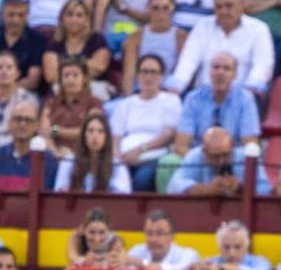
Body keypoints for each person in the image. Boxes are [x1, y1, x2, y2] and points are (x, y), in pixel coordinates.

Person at [168, 0, 275, 96]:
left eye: (229, 6)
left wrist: (247, 92)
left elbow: (263, 65)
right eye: (219, 6)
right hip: (204, 96)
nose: (224, 11)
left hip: (243, 96)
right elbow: (188, 61)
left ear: (242, 4)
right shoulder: (202, 26)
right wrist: (176, 87)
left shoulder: (259, 29)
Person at [109, 54, 181, 191]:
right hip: (124, 157)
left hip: (154, 155)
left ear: (162, 76)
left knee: (141, 179)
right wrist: (118, 157)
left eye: (153, 72)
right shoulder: (126, 104)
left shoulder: (171, 101)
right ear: (138, 75)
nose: (148, 77)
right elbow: (115, 136)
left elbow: (169, 135)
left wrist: (139, 150)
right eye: (144, 72)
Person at [120, 0, 188, 94]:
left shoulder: (181, 37)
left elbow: (182, 73)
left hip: (168, 92)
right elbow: (129, 73)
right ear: (148, 8)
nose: (161, 13)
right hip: (140, 91)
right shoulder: (135, 37)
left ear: (173, 8)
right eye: (155, 8)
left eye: (165, 8)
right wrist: (129, 99)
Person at [167, 127, 270, 195]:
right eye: (215, 157)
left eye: (226, 155)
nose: (222, 161)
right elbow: (174, 185)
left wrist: (241, 189)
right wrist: (206, 189)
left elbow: (265, 189)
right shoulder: (195, 155)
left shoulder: (246, 156)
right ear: (204, 152)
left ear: (232, 147)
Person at [0, 100, 59, 190]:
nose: (22, 124)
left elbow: (46, 191)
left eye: (28, 120)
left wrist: (1, 185)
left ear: (37, 126)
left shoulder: (48, 159)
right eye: (18, 119)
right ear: (9, 124)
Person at [43, 0, 112, 94]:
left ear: (87, 19)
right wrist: (86, 65)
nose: (74, 19)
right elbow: (51, 76)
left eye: (79, 15)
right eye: (69, 14)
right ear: (62, 19)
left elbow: (100, 66)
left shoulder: (97, 39)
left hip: (94, 86)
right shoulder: (54, 44)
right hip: (61, 88)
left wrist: (64, 67)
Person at [40, 58, 105, 157]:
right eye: (66, 75)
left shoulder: (94, 103)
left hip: (83, 156)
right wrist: (56, 153)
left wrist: (57, 130)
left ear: (84, 78)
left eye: (75, 75)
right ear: (60, 79)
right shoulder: (51, 103)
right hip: (53, 154)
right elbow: (44, 131)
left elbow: (90, 132)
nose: (70, 79)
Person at [55, 112, 133, 193]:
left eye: (100, 131)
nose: (95, 136)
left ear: (106, 137)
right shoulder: (69, 162)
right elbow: (59, 194)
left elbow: (123, 197)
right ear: (84, 135)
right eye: (90, 131)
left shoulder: (117, 165)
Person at [125, 210, 202, 270]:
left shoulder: (189, 255)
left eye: (159, 233)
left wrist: (140, 263)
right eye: (149, 233)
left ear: (172, 236)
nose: (153, 239)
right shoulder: (137, 250)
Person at [193, 220, 274, 270]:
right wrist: (195, 267)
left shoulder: (261, 262)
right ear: (219, 246)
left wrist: (222, 268)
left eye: (238, 247)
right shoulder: (211, 262)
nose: (232, 253)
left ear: (247, 245)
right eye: (226, 247)